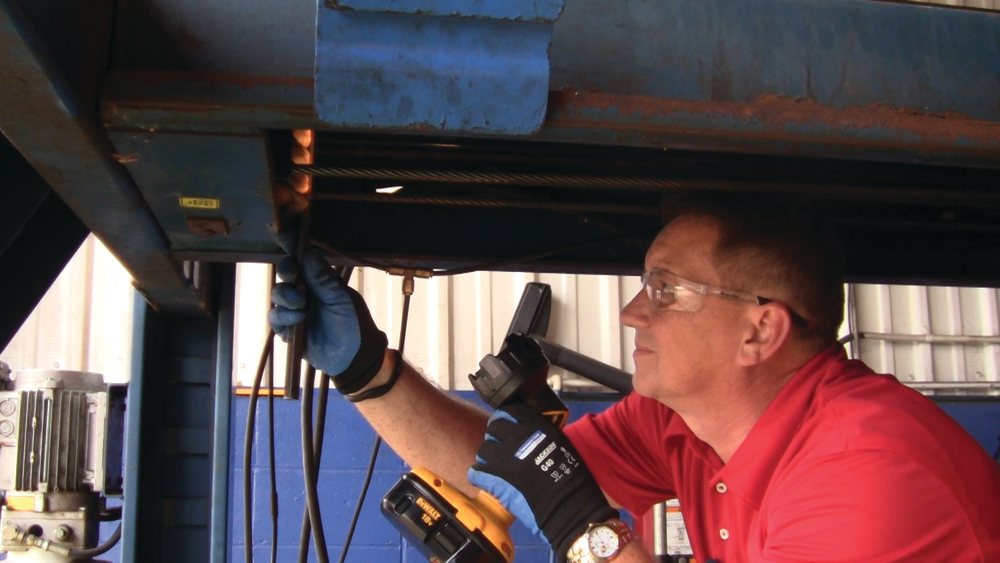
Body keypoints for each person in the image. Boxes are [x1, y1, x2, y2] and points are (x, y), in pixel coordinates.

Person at [269, 192, 1000, 563]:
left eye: (666, 288)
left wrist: (588, 533)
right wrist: (370, 372)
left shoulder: (867, 476)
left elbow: (562, 509)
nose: (630, 311)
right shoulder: (681, 427)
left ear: (760, 329)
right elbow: (504, 469)